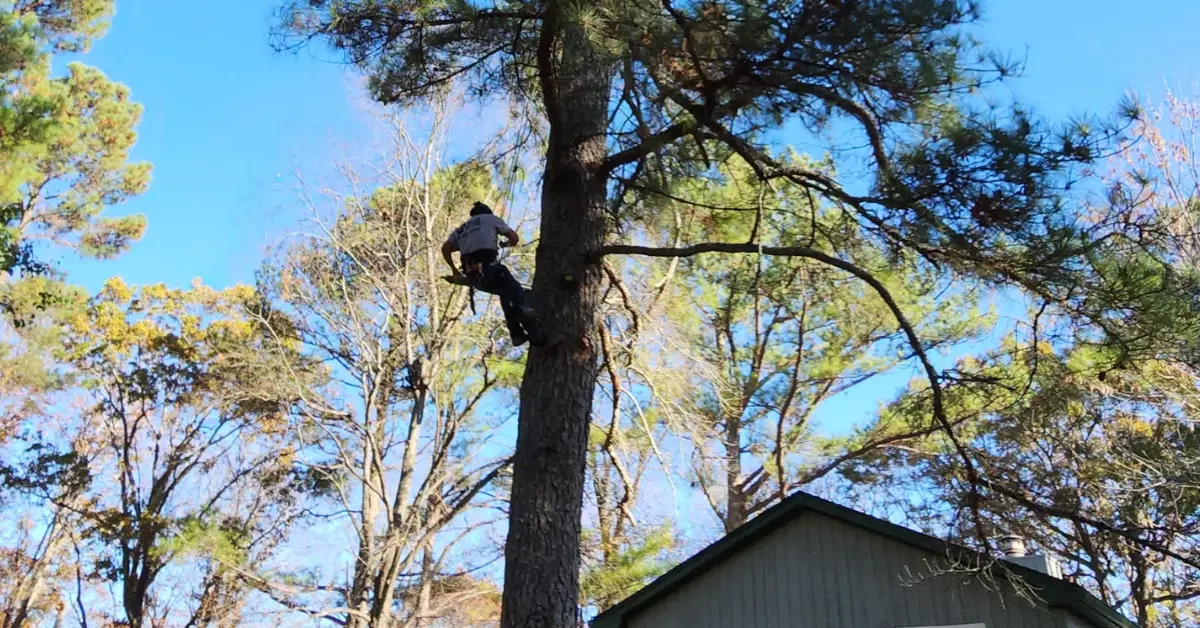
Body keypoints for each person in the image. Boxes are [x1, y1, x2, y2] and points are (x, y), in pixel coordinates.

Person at [442, 201, 547, 347]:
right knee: (515, 290)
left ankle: (517, 333)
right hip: (491, 269)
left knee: (506, 294)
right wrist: (507, 244)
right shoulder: (490, 219)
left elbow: (446, 248)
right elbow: (514, 238)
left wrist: (454, 269)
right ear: (487, 212)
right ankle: (524, 308)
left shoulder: (461, 229)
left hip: (476, 277)